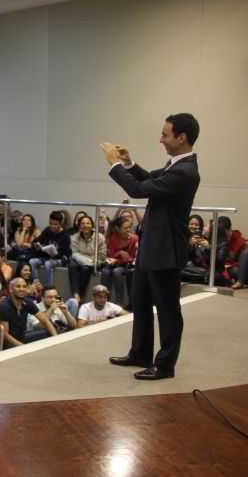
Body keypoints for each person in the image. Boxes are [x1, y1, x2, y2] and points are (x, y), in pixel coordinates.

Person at [102, 113, 200, 380]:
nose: (161, 139)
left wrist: (113, 164)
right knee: (141, 301)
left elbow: (138, 189)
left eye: (165, 134)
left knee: (168, 309)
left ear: (182, 137)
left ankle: (165, 364)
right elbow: (147, 180)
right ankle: (140, 353)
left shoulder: (186, 171)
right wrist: (129, 162)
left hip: (166, 249)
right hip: (152, 245)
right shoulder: (175, 165)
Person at [0, 277, 57, 347]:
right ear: (11, 289)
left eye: (24, 286)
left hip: (22, 337)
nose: (22, 289)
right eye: (18, 286)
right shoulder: (4, 306)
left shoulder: (27, 301)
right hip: (7, 342)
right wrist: (23, 347)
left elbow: (45, 320)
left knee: (48, 331)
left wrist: (56, 339)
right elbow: (5, 335)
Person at [100, 215, 138, 306]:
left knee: (117, 271)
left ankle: (118, 303)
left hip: (126, 266)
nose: (128, 230)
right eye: (125, 228)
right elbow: (113, 255)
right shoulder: (114, 238)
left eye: (129, 227)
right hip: (116, 263)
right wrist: (120, 253)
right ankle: (103, 300)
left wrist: (118, 259)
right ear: (118, 229)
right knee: (105, 271)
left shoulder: (134, 239)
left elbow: (132, 259)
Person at [28, 210, 71, 288]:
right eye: (51, 223)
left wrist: (55, 254)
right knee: (32, 261)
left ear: (60, 224)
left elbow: (65, 254)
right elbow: (37, 241)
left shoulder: (65, 235)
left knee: (48, 263)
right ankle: (35, 286)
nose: (52, 226)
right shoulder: (48, 230)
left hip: (59, 259)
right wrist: (37, 245)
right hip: (46, 256)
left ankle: (48, 289)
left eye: (55, 224)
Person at [69, 215, 107, 302]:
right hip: (83, 261)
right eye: (82, 223)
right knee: (71, 265)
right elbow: (74, 254)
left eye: (88, 223)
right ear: (79, 226)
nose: (85, 225)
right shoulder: (75, 237)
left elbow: (102, 256)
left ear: (92, 225)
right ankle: (75, 293)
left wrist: (85, 259)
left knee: (85, 268)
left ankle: (79, 296)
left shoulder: (99, 237)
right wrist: (88, 260)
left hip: (94, 263)